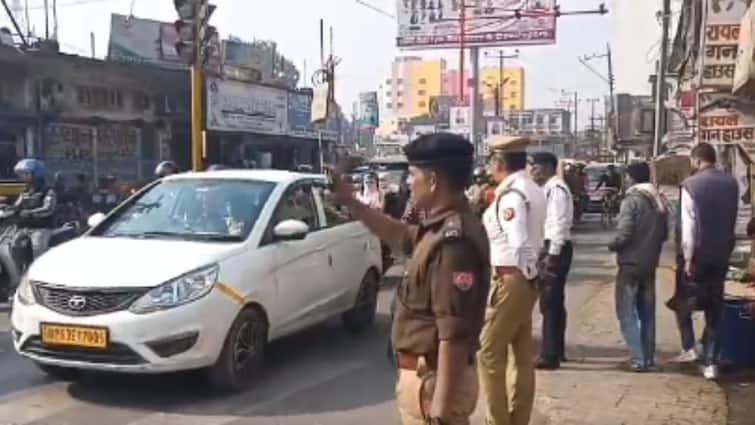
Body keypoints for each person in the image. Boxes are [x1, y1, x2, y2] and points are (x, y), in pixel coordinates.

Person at [331, 133, 490, 425]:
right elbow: (400, 236)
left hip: (434, 384)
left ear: (432, 180)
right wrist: (351, 202)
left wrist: (440, 410)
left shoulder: (454, 242)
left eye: (413, 174)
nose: (407, 182)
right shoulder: (438, 228)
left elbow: (452, 332)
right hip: (425, 380)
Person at [478, 136, 546, 425]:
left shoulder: (511, 196)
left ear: (499, 163)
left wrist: (526, 269)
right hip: (522, 280)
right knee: (520, 354)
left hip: (509, 278)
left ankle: (498, 421)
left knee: (489, 352)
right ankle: (518, 418)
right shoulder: (531, 187)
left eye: (491, 162)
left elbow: (518, 241)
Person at [673, 142, 738, 380]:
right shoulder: (731, 183)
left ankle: (689, 347)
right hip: (721, 254)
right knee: (714, 308)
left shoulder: (690, 185)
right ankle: (711, 361)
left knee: (684, 302)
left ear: (697, 160)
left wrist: (688, 258)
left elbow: (688, 226)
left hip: (697, 257)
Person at [608, 162, 669, 372]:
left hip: (630, 265)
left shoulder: (632, 201)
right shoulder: (659, 200)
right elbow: (665, 235)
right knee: (647, 313)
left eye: (626, 177)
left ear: (631, 178)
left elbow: (624, 234)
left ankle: (637, 358)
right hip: (649, 264)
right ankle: (648, 357)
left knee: (627, 313)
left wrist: (612, 245)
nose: (625, 181)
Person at [530, 152, 574, 370]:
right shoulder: (548, 189)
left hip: (555, 248)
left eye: (535, 167)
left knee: (549, 302)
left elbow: (558, 224)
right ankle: (557, 348)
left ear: (547, 167)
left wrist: (552, 256)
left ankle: (549, 355)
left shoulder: (556, 190)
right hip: (552, 247)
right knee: (555, 301)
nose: (532, 171)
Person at [11, 159, 57, 257]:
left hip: (41, 229)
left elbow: (48, 209)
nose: (23, 177)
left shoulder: (48, 191)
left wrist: (30, 213)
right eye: (22, 174)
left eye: (26, 174)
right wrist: (7, 208)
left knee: (38, 249)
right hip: (24, 228)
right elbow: (16, 206)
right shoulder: (25, 192)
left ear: (36, 174)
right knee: (13, 246)